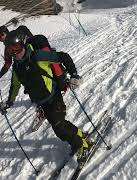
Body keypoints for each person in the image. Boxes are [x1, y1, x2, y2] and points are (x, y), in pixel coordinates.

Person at [0, 29, 90, 161]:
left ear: (23, 45)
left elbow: (63, 56)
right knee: (60, 125)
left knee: (59, 128)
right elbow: (15, 86)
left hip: (54, 96)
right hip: (41, 102)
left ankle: (83, 146)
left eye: (17, 48)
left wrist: (74, 74)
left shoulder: (37, 56)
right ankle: (81, 135)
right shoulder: (17, 67)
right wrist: (8, 103)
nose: (15, 53)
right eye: (10, 50)